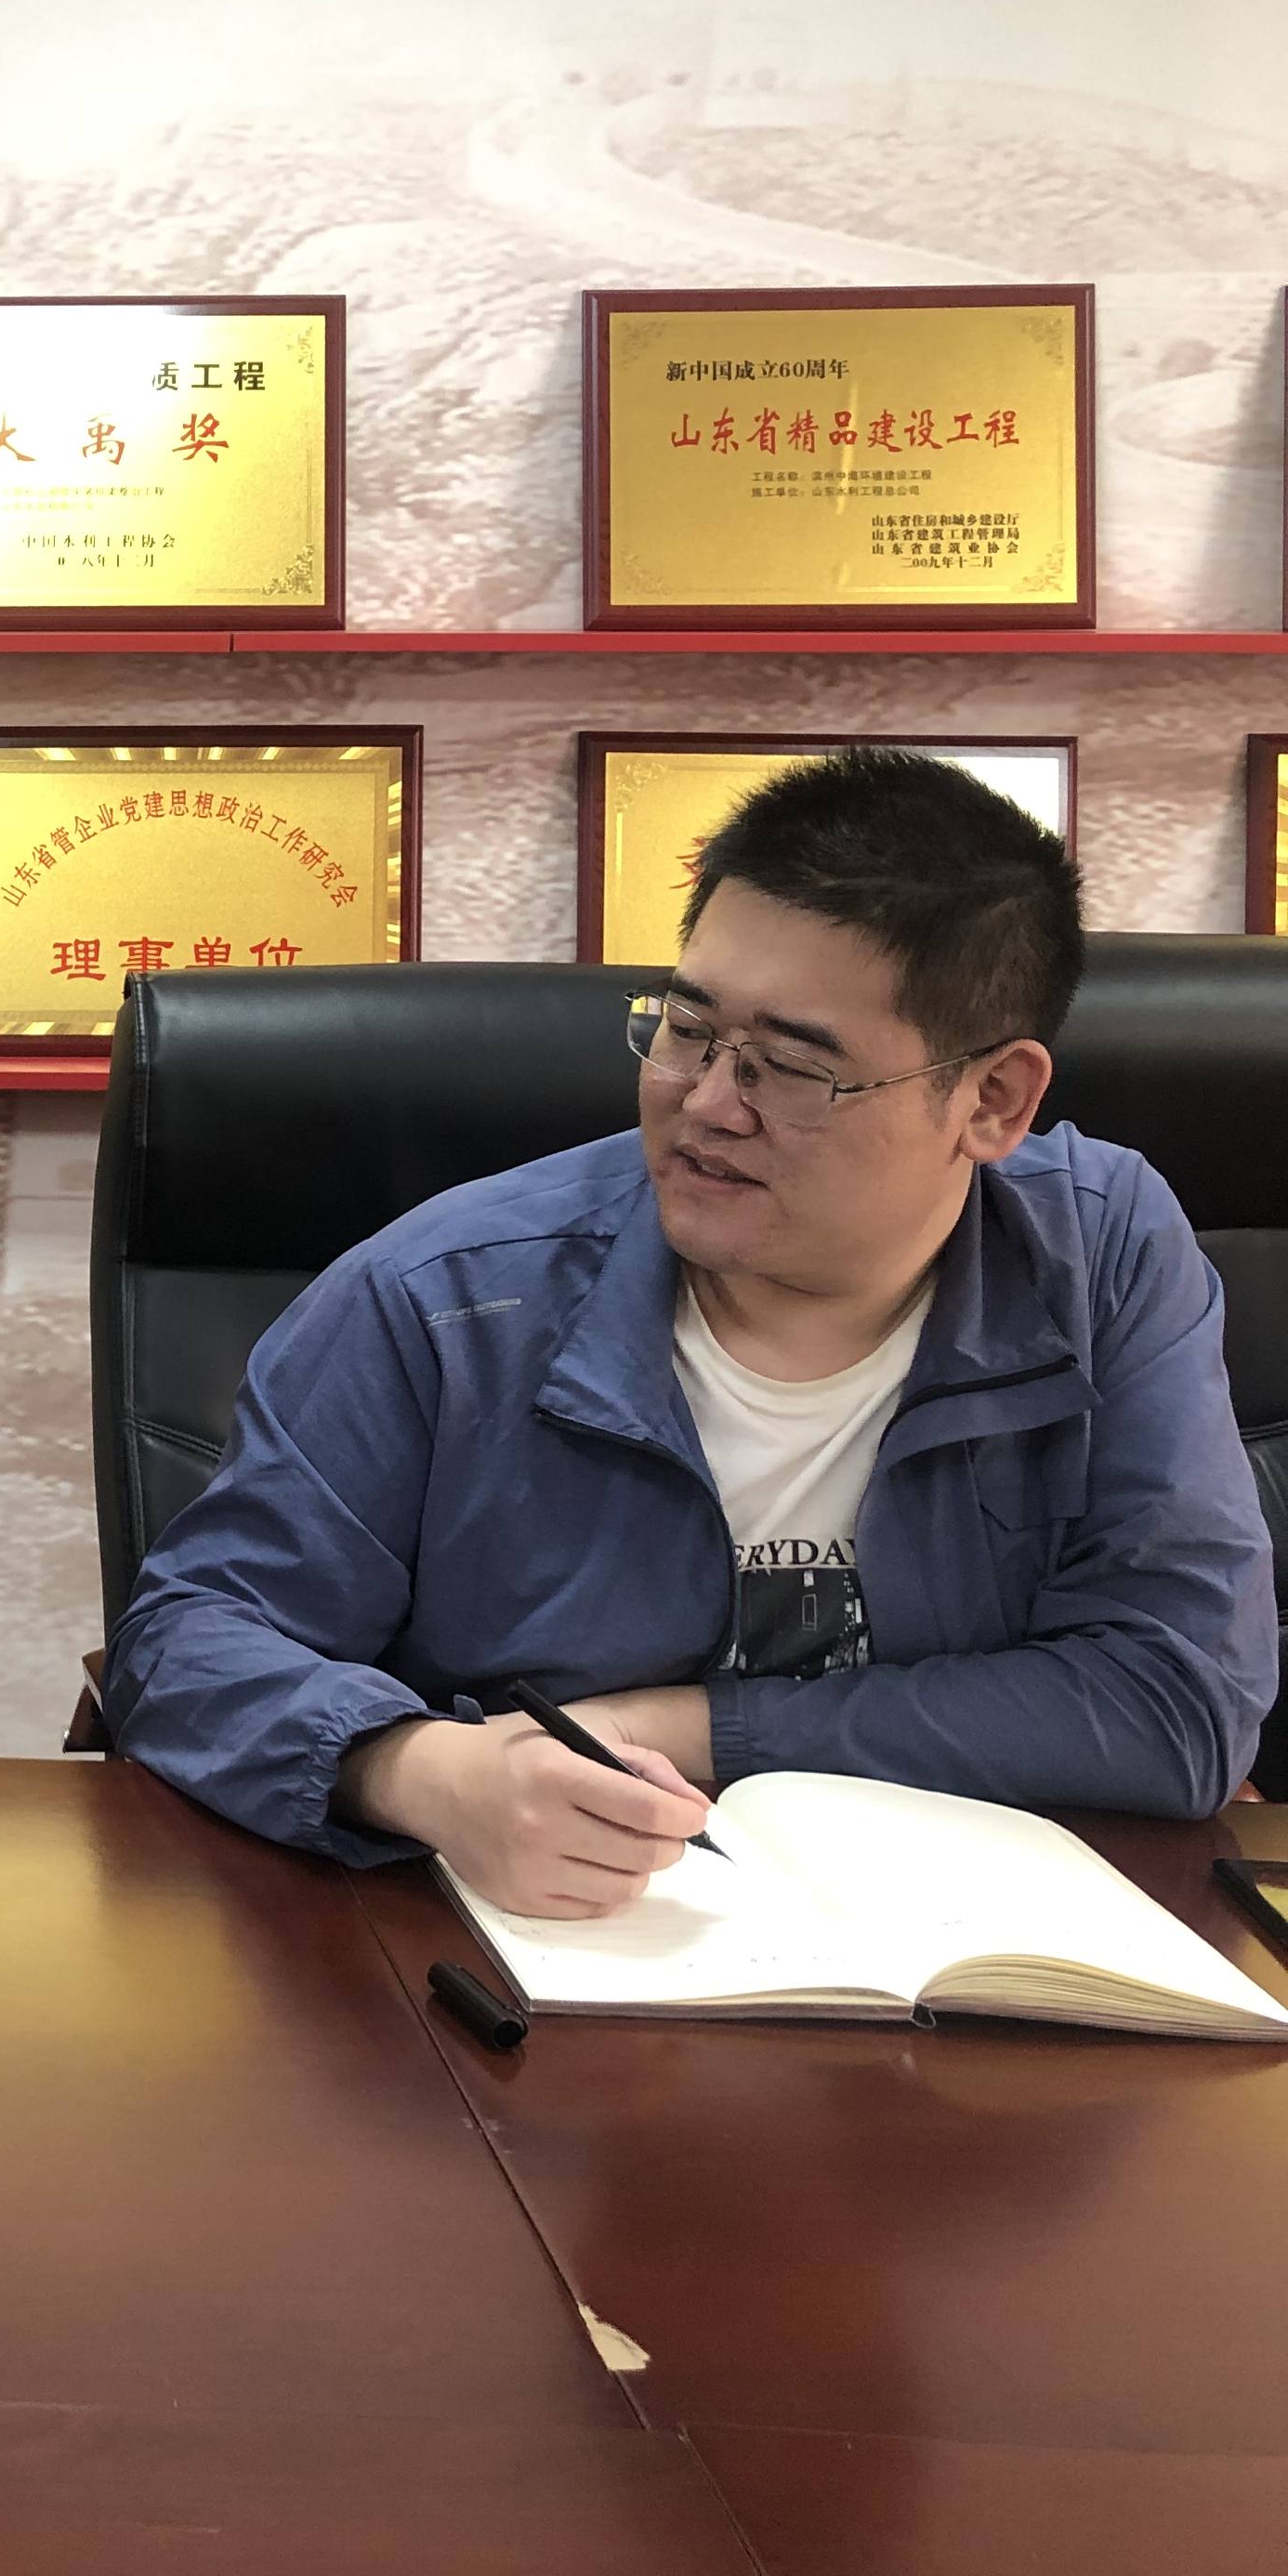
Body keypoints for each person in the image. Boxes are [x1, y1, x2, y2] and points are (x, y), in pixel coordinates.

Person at [106, 748, 1274, 1916]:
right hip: (530, 1953)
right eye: (685, 1027)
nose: (708, 1103)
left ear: (993, 1101)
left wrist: (677, 1728)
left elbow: (1175, 1704)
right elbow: (187, 1646)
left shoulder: (1097, 1258)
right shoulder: (448, 1298)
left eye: (794, 1068)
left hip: (982, 1949)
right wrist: (419, 1771)